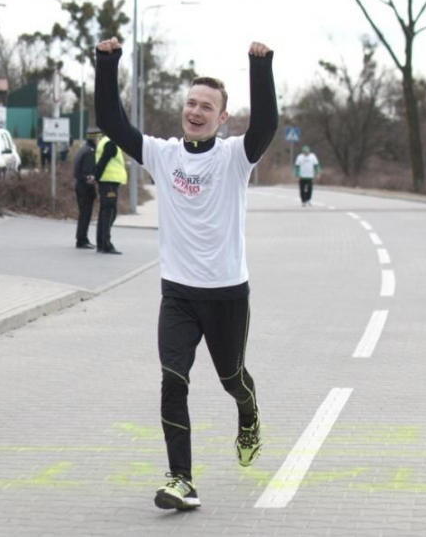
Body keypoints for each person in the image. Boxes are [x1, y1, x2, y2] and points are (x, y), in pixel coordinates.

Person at [95, 36, 277, 510]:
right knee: (173, 381)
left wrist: (260, 68)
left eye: (206, 106)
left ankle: (248, 414)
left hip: (226, 293)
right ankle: (181, 480)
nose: (196, 111)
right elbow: (111, 121)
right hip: (177, 293)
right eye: (191, 103)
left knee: (232, 379)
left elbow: (266, 126)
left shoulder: (235, 157)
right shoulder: (163, 154)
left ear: (222, 117)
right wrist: (107, 62)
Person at [93, 134, 127, 255]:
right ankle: (106, 244)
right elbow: (103, 161)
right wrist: (96, 176)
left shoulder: (104, 141)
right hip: (109, 183)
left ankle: (101, 243)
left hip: (107, 182)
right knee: (109, 212)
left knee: (104, 212)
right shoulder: (111, 143)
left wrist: (96, 177)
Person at [72, 127, 101, 249]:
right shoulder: (90, 152)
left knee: (83, 213)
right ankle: (82, 239)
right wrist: (93, 180)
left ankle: (81, 237)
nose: (99, 140)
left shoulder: (83, 148)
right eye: (98, 137)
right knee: (85, 214)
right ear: (95, 138)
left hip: (80, 185)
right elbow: (88, 173)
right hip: (85, 187)